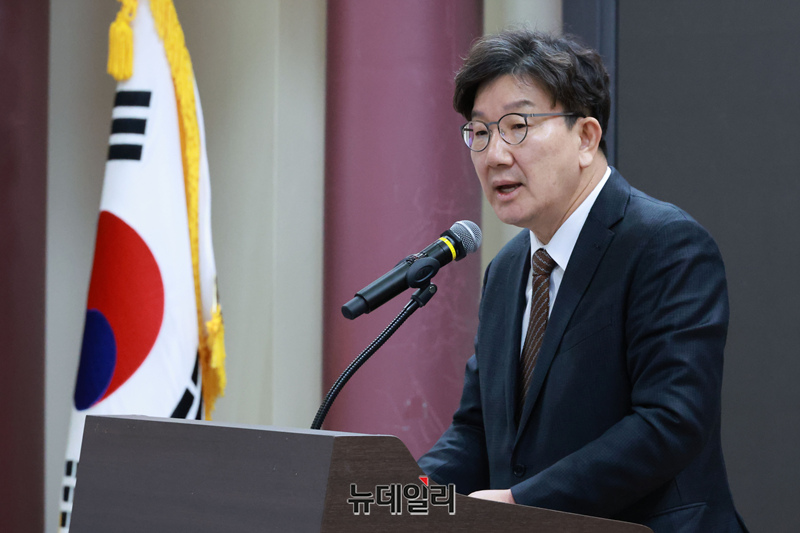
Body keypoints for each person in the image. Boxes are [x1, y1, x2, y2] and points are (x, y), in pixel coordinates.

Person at [418, 29, 747, 532]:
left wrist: (520, 502)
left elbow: (670, 422)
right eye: (480, 132)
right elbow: (477, 430)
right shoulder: (507, 269)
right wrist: (406, 493)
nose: (494, 154)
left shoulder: (664, 244)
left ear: (586, 138)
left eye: (517, 126)